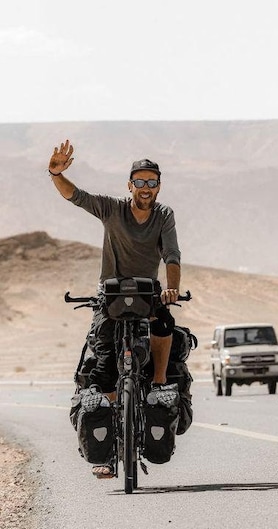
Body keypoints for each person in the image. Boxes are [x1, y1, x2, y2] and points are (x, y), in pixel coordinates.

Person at [48, 139, 182, 478]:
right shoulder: (112, 208)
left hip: (148, 292)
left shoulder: (164, 214)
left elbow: (172, 255)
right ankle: (106, 455)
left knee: (164, 324)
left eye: (152, 182)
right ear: (130, 185)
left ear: (159, 186)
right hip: (109, 294)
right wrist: (55, 172)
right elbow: (75, 196)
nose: (146, 187)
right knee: (104, 356)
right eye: (140, 181)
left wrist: (172, 288)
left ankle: (159, 383)